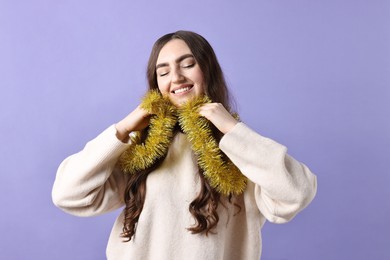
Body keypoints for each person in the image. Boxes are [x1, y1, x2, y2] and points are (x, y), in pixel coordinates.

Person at [52, 30, 317, 260]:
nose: (176, 77)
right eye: (163, 71)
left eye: (187, 64)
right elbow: (68, 194)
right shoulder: (141, 150)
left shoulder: (242, 152)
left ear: (208, 71)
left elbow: (296, 192)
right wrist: (122, 129)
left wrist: (232, 130)